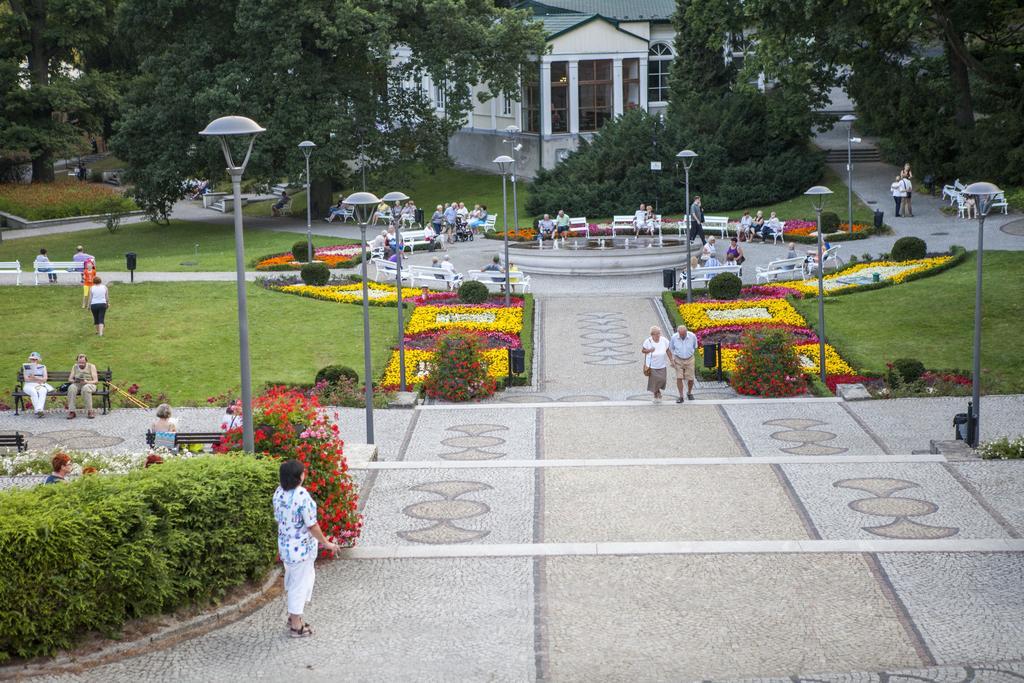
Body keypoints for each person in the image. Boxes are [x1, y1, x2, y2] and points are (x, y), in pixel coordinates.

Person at [273, 459, 340, 638]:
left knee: (294, 580)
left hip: (286, 547)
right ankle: (296, 625)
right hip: (301, 550)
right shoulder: (302, 496)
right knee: (299, 586)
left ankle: (295, 617)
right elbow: (312, 525)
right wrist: (326, 543)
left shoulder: (278, 492)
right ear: (299, 477)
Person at [669, 324, 698, 402]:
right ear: (678, 332)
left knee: (691, 378)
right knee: (679, 377)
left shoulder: (692, 336)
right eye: (680, 334)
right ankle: (681, 396)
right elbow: (671, 348)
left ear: (686, 332)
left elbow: (695, 346)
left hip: (690, 359)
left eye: (683, 334)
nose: (682, 336)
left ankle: (689, 393)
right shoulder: (674, 337)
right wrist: (673, 359)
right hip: (678, 359)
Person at [641, 326, 670, 400]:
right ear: (652, 334)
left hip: (662, 364)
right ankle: (656, 392)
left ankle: (657, 391)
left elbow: (668, 350)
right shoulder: (648, 341)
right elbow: (643, 351)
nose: (658, 335)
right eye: (656, 334)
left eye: (659, 333)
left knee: (662, 379)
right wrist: (649, 350)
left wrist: (672, 360)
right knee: (654, 380)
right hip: (652, 365)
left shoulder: (664, 340)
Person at [66, 353, 98, 419]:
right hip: (78, 384)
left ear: (86, 361)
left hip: (90, 384)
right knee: (71, 387)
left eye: (83, 362)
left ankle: (90, 411)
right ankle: (72, 411)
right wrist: (75, 381)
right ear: (77, 361)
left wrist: (87, 382)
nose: (81, 364)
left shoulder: (91, 366)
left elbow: (96, 381)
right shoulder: (75, 366)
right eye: (79, 362)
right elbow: (70, 379)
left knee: (86, 388)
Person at [22, 352, 51, 417]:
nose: (33, 360)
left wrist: (35, 378)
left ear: (38, 360)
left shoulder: (43, 367)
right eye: (32, 359)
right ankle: (39, 410)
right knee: (33, 392)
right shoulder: (26, 367)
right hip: (28, 385)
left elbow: (45, 379)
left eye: (35, 359)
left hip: (39, 385)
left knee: (43, 391)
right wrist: (39, 379)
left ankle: (38, 410)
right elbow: (26, 379)